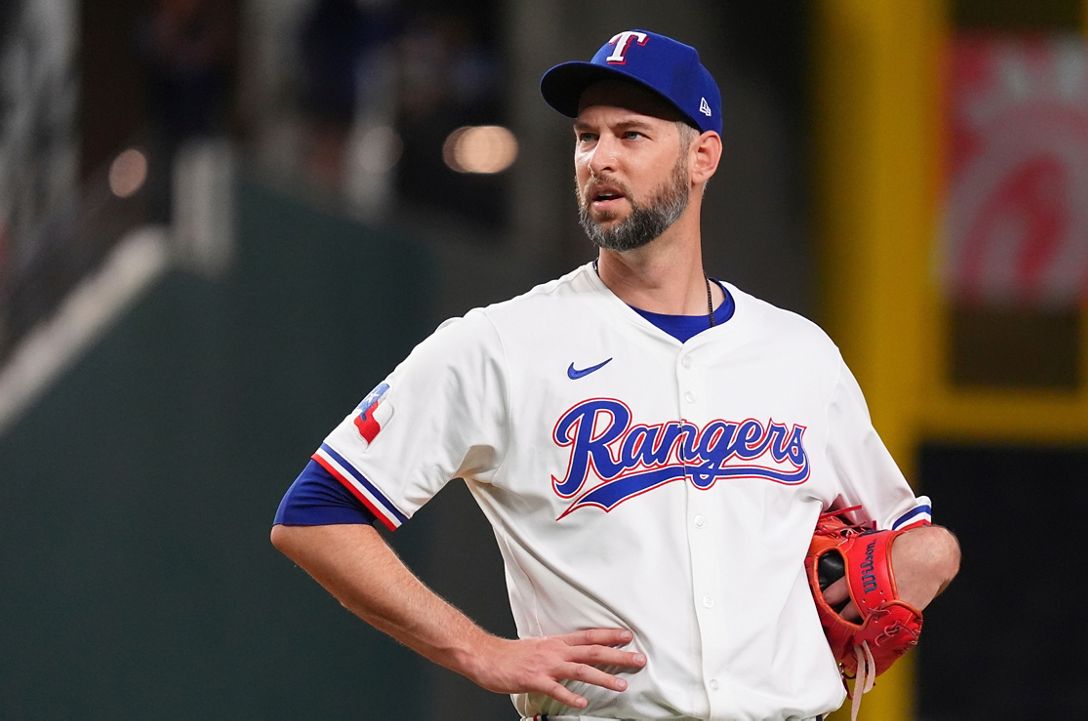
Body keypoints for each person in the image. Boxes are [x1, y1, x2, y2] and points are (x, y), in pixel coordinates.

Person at [271, 28, 960, 720]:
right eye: (586, 137)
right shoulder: (503, 344)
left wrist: (929, 556)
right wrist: (478, 649)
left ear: (703, 156)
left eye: (631, 136)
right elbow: (317, 514)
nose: (599, 159)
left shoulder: (797, 354)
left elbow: (908, 534)